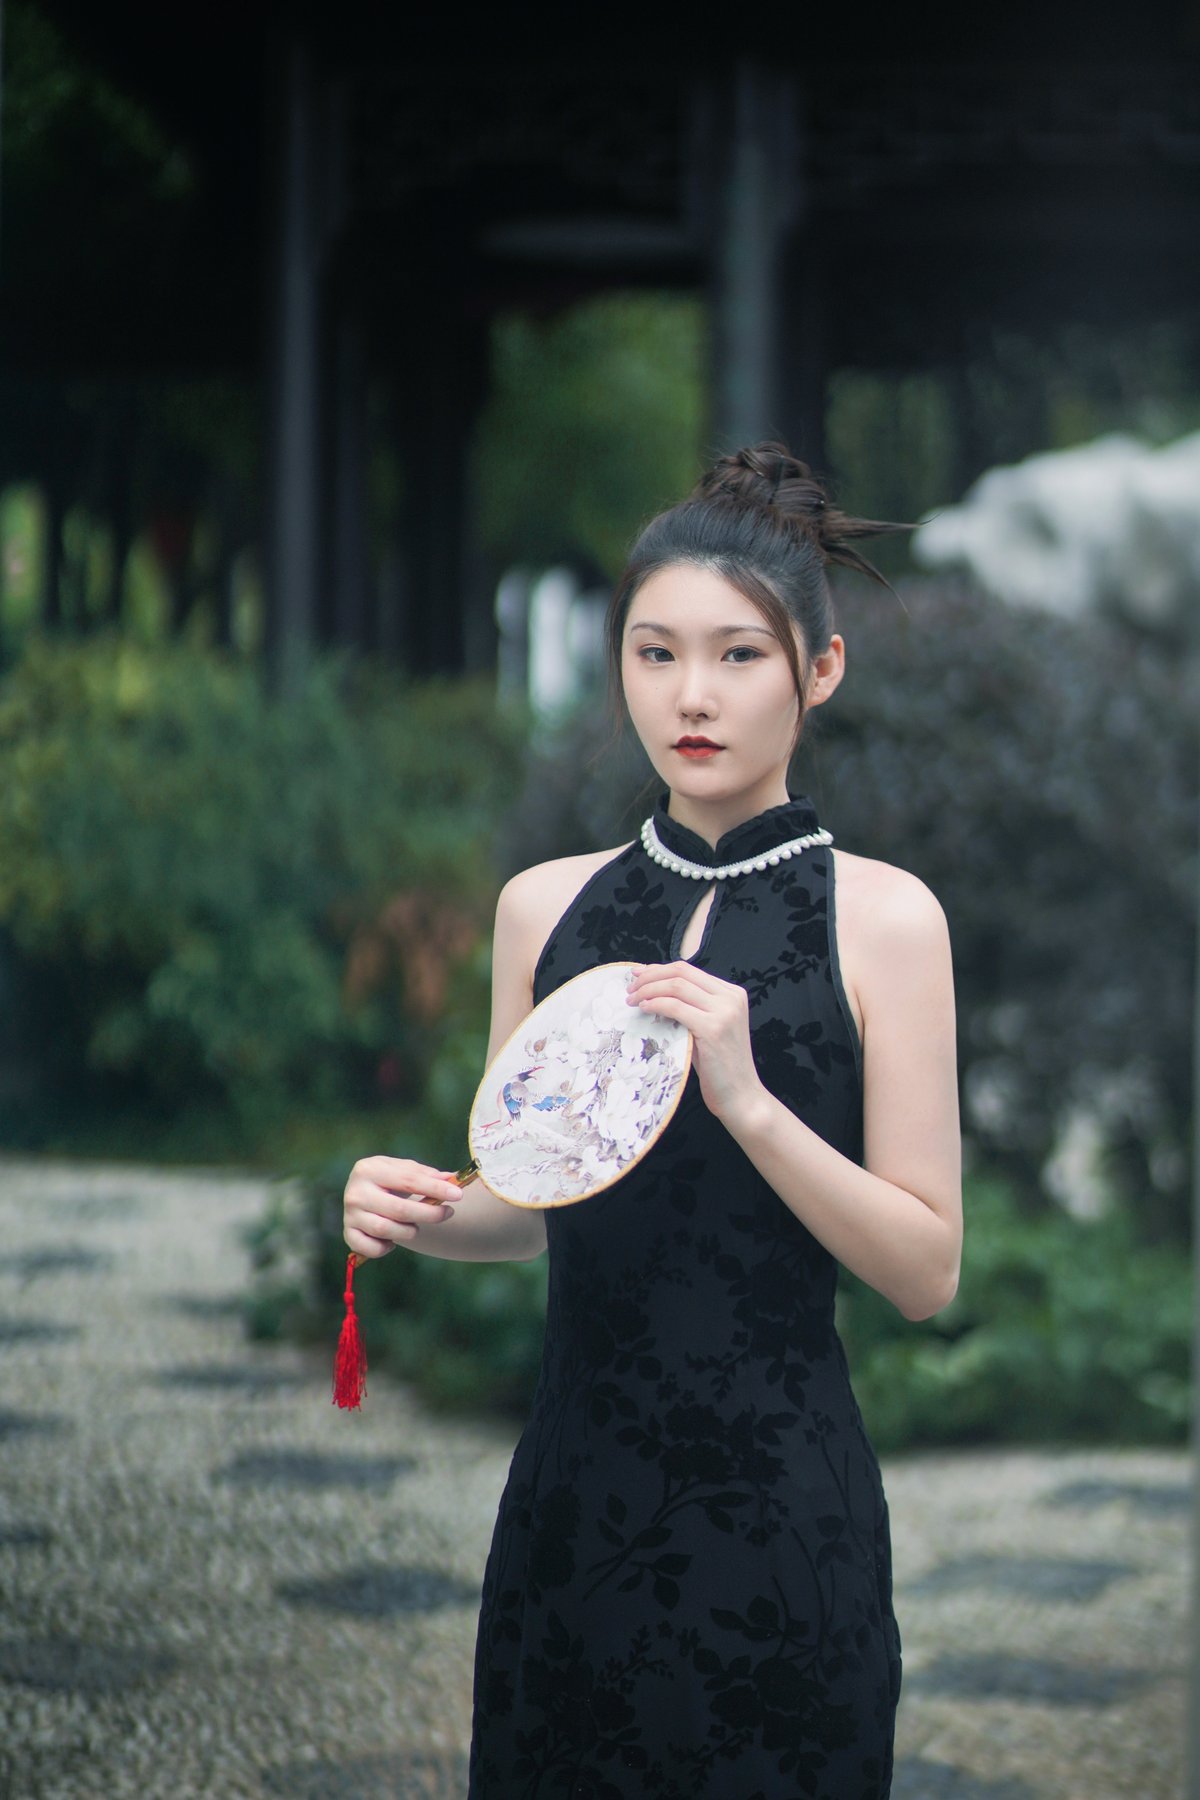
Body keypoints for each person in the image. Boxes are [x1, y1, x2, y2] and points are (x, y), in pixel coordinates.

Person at [343, 441, 963, 1799]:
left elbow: (926, 1270)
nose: (692, 695)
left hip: (784, 1523)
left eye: (740, 655)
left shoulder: (886, 921)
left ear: (821, 670)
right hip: (576, 1505)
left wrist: (749, 1102)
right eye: (654, 652)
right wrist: (420, 1208)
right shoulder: (545, 909)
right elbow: (529, 1203)